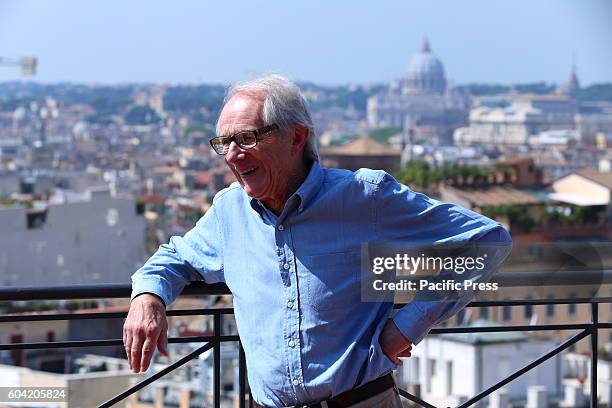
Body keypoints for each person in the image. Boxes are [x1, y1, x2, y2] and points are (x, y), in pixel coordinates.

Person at [123, 74, 512, 408]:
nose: (232, 155)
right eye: (223, 142)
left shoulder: (365, 197)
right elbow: (173, 257)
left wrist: (408, 325)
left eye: (245, 138)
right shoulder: (229, 212)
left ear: (296, 138)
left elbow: (487, 240)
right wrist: (147, 299)